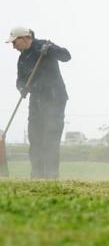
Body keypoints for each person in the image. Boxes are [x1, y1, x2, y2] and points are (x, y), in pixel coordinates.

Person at [6, 27, 71, 179]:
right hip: (36, 100)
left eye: (14, 42)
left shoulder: (44, 46)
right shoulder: (22, 58)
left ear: (24, 39)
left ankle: (51, 175)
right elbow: (20, 80)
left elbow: (66, 56)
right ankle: (36, 175)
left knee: (50, 137)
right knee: (35, 137)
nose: (13, 46)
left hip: (54, 98)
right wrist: (22, 88)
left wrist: (51, 50)